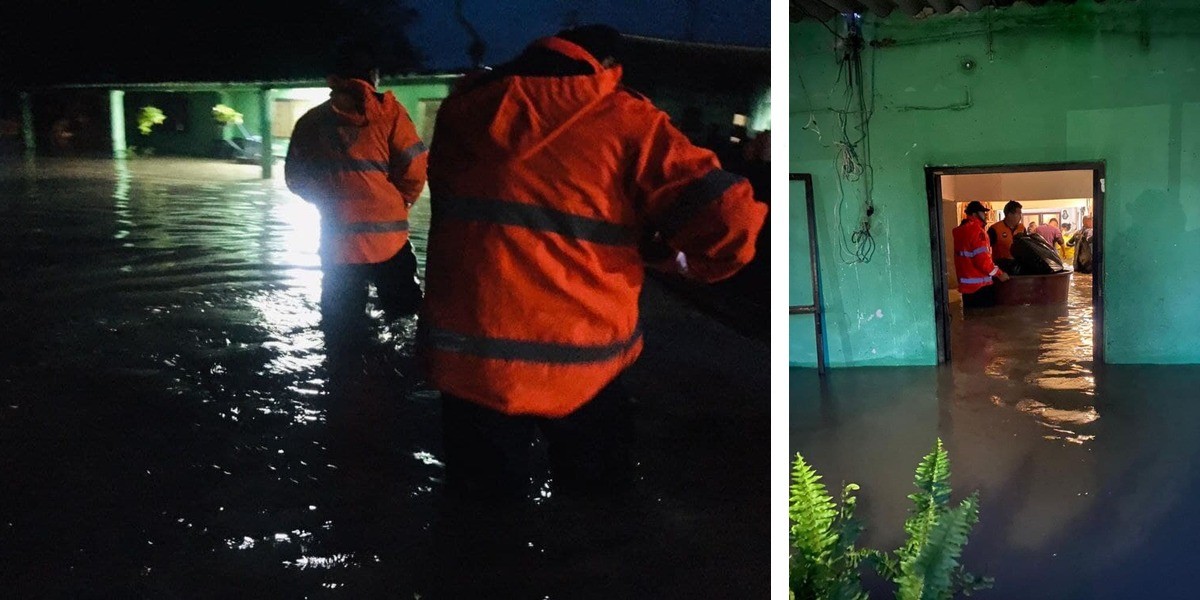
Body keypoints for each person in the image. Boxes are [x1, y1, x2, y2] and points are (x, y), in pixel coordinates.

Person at [420, 24, 767, 499]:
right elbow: (729, 215)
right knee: (596, 519)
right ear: (604, 66)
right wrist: (687, 263)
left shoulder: (462, 112)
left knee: (480, 525)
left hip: (469, 368)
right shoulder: (626, 120)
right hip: (585, 367)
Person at [285, 39, 428, 334]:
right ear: (373, 75)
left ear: (334, 78)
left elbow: (295, 179)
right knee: (405, 319)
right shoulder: (392, 114)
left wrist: (329, 200)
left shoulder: (310, 122)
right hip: (390, 240)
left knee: (340, 325)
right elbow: (415, 168)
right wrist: (399, 202)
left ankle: (342, 372)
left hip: (338, 241)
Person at [953, 201, 1010, 309]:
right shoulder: (977, 231)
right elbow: (983, 261)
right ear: (975, 214)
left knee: (971, 320)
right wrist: (999, 274)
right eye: (983, 213)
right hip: (980, 288)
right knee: (985, 321)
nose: (985, 215)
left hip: (967, 288)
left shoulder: (961, 231)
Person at [987, 200, 1025, 274]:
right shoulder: (995, 229)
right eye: (1019, 214)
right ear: (1009, 214)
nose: (1020, 216)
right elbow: (986, 250)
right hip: (1001, 268)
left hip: (1018, 267)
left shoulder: (1022, 228)